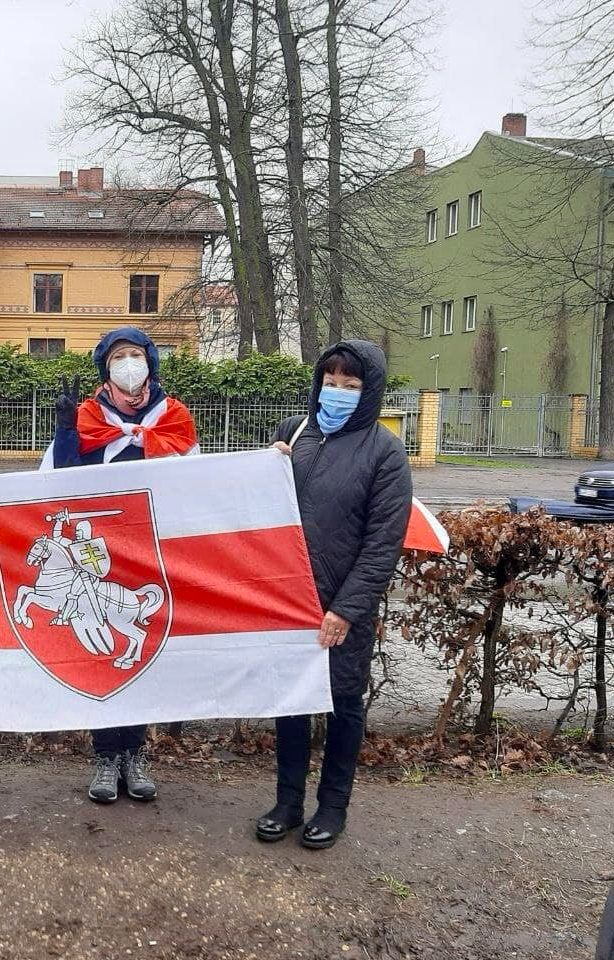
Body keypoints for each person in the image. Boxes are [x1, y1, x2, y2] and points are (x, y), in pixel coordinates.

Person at [256, 340, 411, 849]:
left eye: (350, 385)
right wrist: (266, 466)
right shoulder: (295, 433)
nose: (338, 392)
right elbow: (261, 511)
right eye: (330, 382)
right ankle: (287, 802)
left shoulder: (384, 452)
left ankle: (333, 806)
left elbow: (382, 542)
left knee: (344, 707)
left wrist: (345, 610)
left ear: (369, 393)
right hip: (288, 599)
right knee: (292, 706)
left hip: (342, 606)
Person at [51, 327, 198, 805]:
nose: (129, 363)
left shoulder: (173, 416)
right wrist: (66, 430)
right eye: (120, 356)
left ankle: (136, 753)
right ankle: (105, 754)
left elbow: (196, 479)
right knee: (101, 649)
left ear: (151, 363)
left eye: (137, 355)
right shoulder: (89, 415)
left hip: (151, 545)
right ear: (105, 368)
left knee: (141, 644)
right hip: (99, 546)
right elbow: (63, 480)